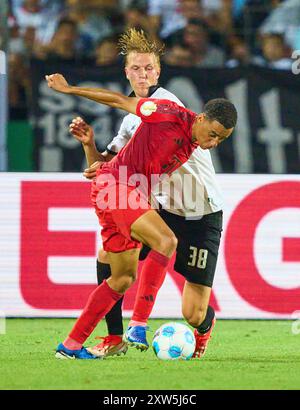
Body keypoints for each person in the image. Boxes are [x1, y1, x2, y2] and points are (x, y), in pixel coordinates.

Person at [46, 37, 237, 362]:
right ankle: (135, 326)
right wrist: (70, 90)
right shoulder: (165, 109)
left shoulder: (192, 141)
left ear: (158, 71)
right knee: (165, 241)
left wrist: (92, 151)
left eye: (222, 139)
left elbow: (106, 161)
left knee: (121, 277)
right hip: (120, 190)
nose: (214, 143)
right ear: (202, 119)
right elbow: (120, 101)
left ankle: (72, 345)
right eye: (214, 134)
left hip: (157, 200)